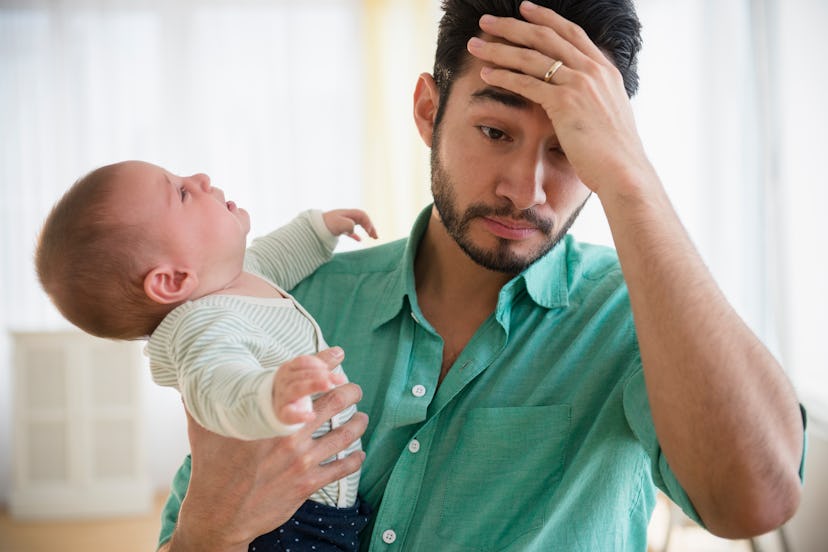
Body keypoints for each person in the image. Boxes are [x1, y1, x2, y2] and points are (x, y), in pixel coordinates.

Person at [156, 1, 807, 551]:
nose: (524, 191)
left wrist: (631, 181)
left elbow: (758, 502)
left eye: (570, 148)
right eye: (496, 131)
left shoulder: (637, 319)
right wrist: (209, 526)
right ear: (426, 111)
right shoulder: (289, 304)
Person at [35, 160, 377, 551]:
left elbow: (274, 257)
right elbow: (219, 387)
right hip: (286, 521)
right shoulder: (202, 327)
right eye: (181, 192)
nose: (200, 179)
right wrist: (269, 396)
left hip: (314, 502)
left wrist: (317, 230)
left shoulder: (233, 280)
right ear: (173, 279)